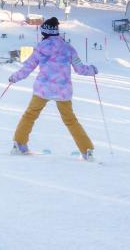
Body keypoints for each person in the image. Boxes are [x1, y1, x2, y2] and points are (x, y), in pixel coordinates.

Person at [9, 17, 98, 159]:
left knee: (30, 115)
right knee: (70, 120)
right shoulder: (68, 48)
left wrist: (14, 77)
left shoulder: (40, 48)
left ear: (44, 33)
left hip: (42, 90)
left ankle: (19, 144)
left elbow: (28, 67)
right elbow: (80, 69)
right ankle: (86, 150)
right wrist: (92, 70)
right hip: (63, 91)